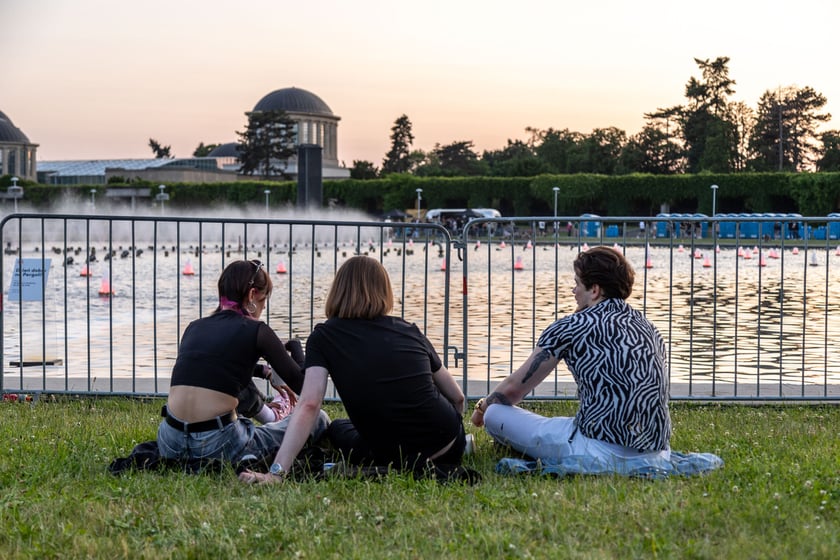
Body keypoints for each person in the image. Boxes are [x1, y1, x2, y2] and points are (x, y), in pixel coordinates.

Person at [240, 255, 466, 483]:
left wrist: (277, 472)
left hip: (391, 453)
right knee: (348, 429)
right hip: (447, 445)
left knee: (338, 429)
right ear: (384, 290)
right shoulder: (410, 330)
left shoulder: (324, 337)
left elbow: (309, 404)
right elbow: (457, 398)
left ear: (338, 290)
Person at [471, 246, 671, 468]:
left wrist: (482, 408)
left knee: (495, 413)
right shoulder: (649, 328)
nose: (573, 291)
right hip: (658, 453)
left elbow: (513, 390)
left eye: (577, 283)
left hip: (598, 450)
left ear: (594, 290)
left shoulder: (571, 326)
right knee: (558, 425)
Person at [157, 259, 328, 464]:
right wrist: (295, 346)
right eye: (264, 301)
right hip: (217, 444)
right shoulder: (257, 330)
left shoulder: (194, 327)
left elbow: (216, 368)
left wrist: (265, 371)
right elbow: (303, 384)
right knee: (318, 419)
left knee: (242, 421)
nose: (262, 309)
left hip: (169, 441)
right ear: (252, 295)